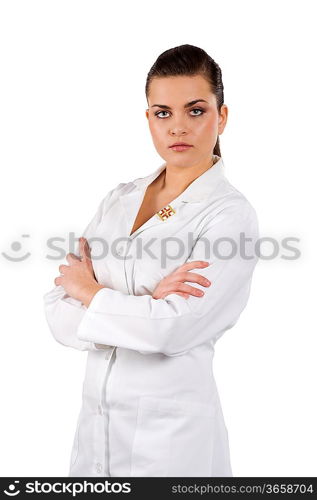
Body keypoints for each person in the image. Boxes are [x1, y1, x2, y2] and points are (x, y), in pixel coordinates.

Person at [43, 44, 259, 477]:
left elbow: (173, 329)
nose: (178, 127)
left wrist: (92, 294)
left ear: (222, 116)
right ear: (148, 119)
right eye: (163, 113)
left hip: (171, 444)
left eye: (195, 111)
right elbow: (56, 312)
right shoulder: (119, 199)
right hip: (95, 433)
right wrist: (142, 307)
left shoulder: (229, 214)